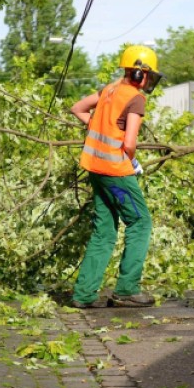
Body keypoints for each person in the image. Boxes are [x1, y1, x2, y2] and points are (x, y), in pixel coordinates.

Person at [70, 45, 163, 308]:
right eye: (149, 75)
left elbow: (77, 108)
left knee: (105, 230)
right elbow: (130, 142)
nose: (149, 81)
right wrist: (132, 160)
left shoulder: (109, 90)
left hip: (96, 169)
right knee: (140, 222)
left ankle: (83, 294)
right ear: (139, 73)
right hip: (116, 173)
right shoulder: (135, 98)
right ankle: (126, 289)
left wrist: (98, 124)